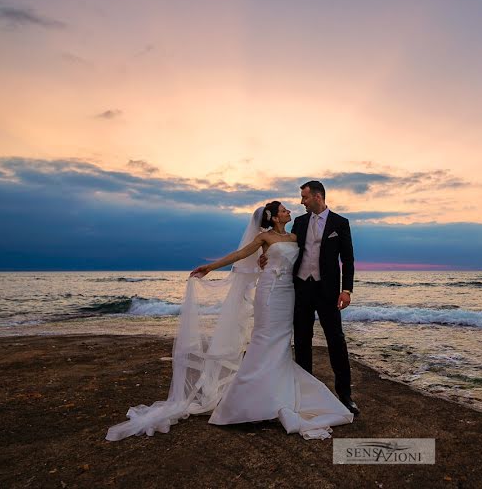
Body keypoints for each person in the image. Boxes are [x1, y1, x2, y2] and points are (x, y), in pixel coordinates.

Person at [105, 201, 353, 441]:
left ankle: (275, 397)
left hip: (289, 295)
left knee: (280, 345)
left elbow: (314, 254)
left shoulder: (295, 236)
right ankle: (246, 403)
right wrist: (211, 267)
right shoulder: (264, 238)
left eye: (292, 206)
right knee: (262, 342)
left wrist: (342, 287)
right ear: (275, 217)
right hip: (269, 294)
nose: (291, 209)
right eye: (284, 209)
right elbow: (240, 254)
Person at [261, 181, 358, 415]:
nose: (301, 202)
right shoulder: (300, 222)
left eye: (304, 197)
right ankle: (305, 392)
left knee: (336, 340)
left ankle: (345, 396)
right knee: (302, 341)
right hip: (302, 287)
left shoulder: (340, 223)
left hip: (328, 291)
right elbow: (283, 245)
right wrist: (265, 258)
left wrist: (347, 290)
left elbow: (348, 259)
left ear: (317, 197)